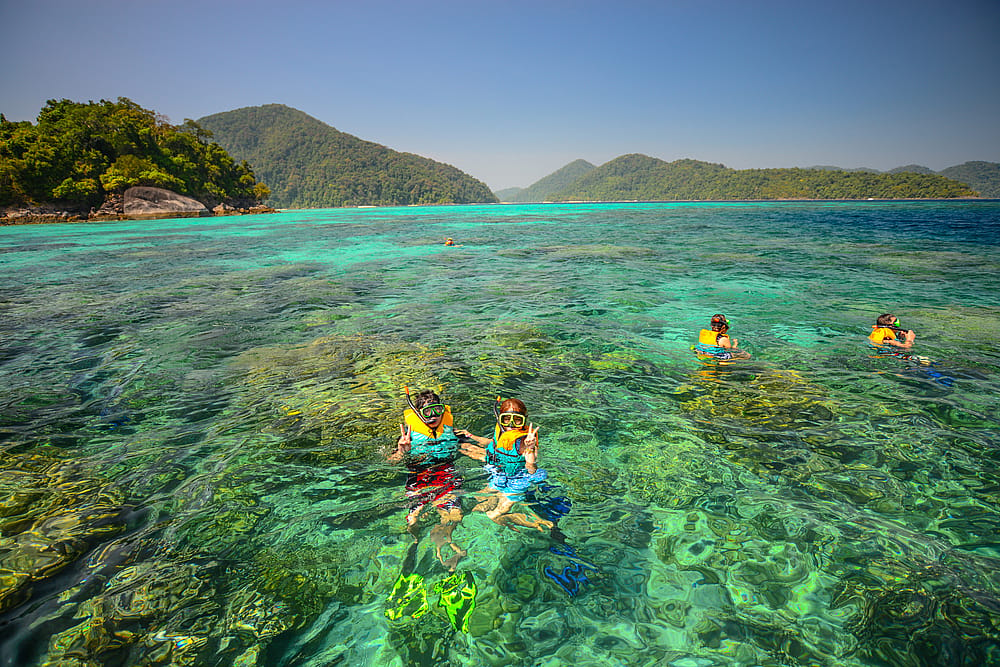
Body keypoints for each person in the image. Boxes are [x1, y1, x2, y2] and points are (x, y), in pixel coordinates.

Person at [388, 388, 479, 570]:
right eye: (427, 412)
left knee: (456, 515)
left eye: (438, 410)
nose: (433, 416)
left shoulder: (451, 432)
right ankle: (416, 541)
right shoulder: (408, 438)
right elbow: (391, 462)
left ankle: (445, 542)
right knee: (413, 520)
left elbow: (473, 446)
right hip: (420, 479)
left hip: (446, 476)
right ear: (418, 415)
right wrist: (401, 451)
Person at [459, 398, 553, 532]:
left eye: (518, 420)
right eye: (507, 419)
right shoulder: (501, 432)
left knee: (494, 513)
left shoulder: (524, 441)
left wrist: (530, 447)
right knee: (479, 499)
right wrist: (472, 436)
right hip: (499, 472)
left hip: (518, 479)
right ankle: (503, 513)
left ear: (524, 420)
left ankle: (527, 519)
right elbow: (493, 443)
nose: (512, 424)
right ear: (499, 419)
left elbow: (531, 466)